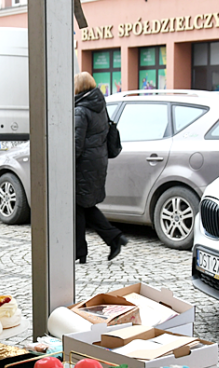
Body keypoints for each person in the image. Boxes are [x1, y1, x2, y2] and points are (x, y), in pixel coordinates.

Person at [74, 72, 127, 264]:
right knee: (82, 205)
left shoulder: (80, 110)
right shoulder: (99, 106)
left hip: (83, 165)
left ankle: (83, 250)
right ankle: (112, 239)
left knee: (79, 205)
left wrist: (65, 163)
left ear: (78, 87)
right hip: (98, 162)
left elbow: (76, 144)